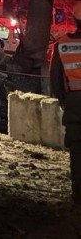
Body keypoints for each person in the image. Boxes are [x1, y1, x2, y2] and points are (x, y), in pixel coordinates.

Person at [50, 11, 81, 205]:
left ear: (75, 20)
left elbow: (55, 80)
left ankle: (78, 194)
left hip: (74, 103)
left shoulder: (62, 45)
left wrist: (64, 101)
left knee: (76, 150)